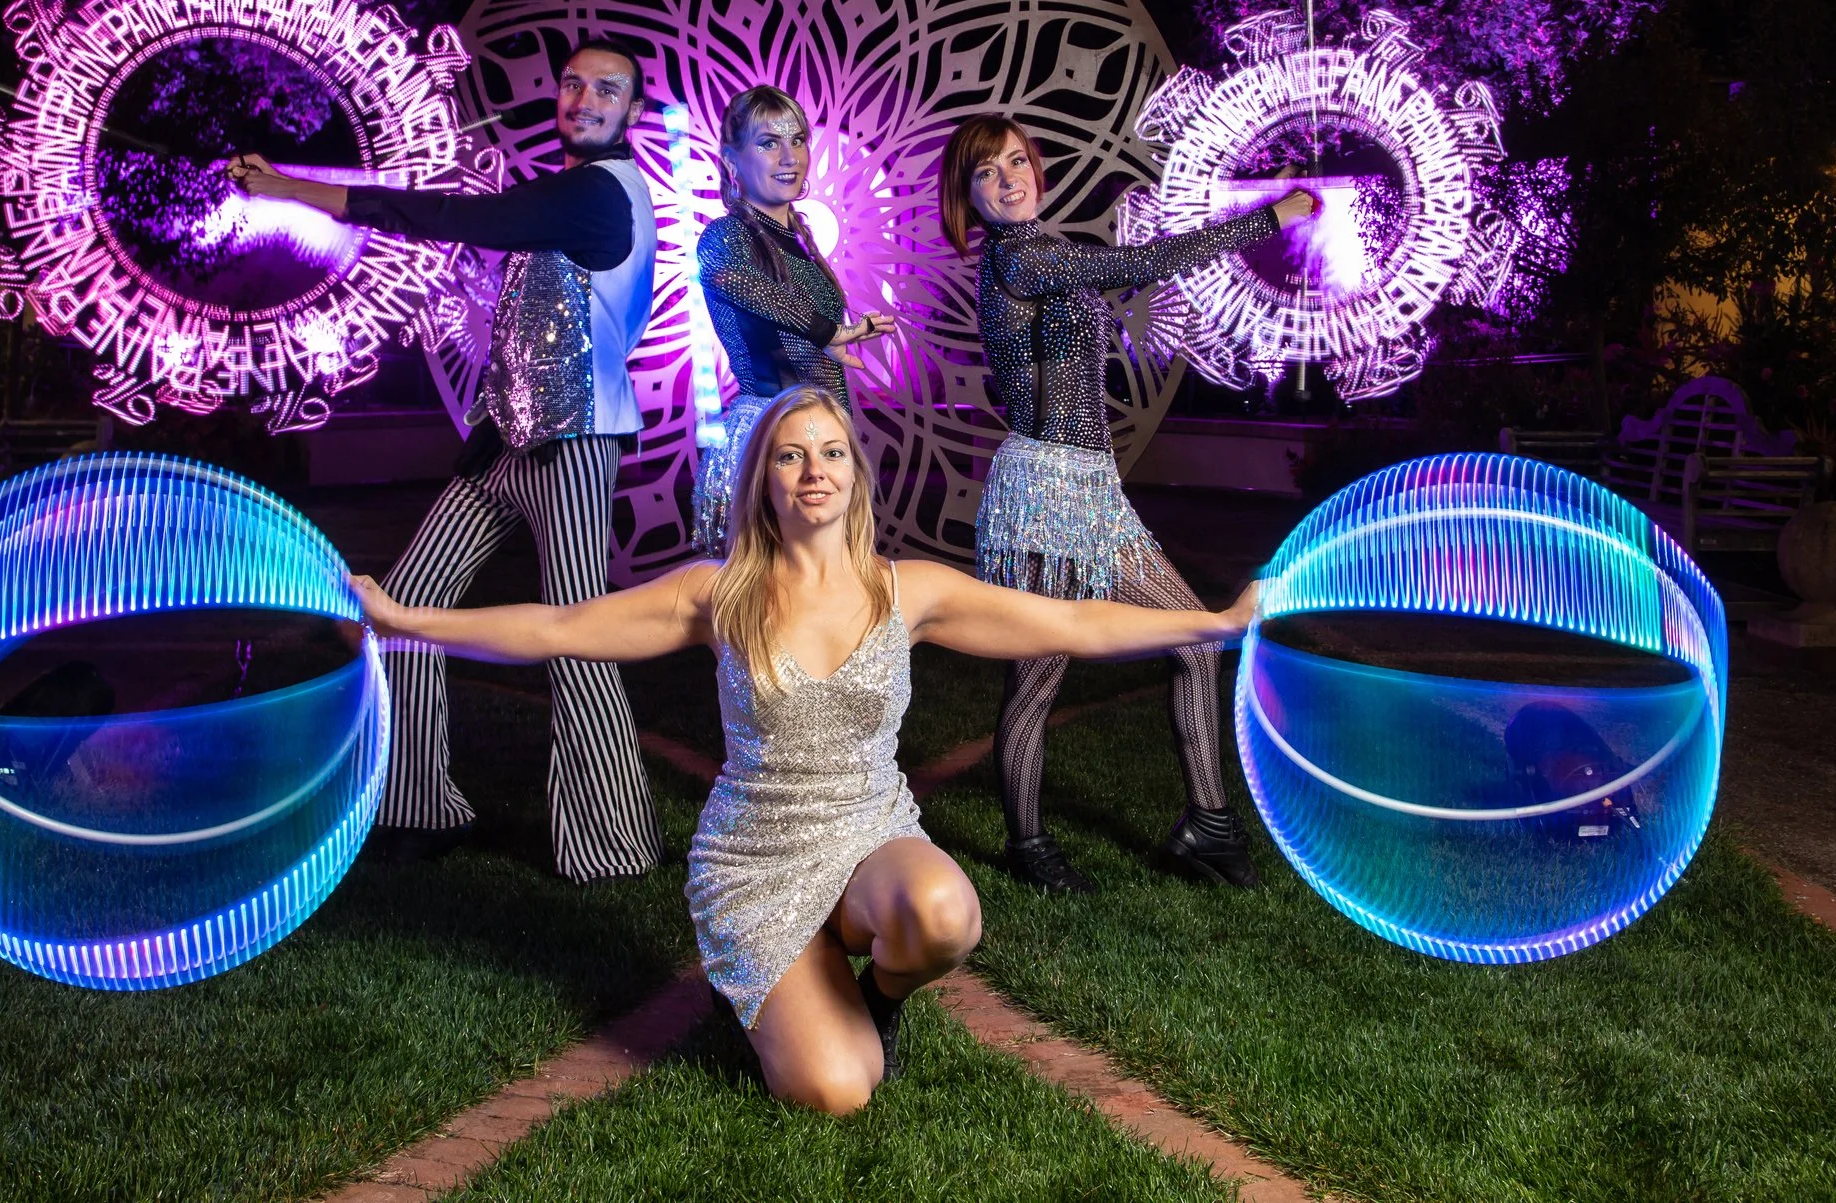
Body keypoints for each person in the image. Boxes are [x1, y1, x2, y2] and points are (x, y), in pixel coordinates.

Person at [350, 383, 1264, 1114]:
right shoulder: (718, 594)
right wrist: (408, 621)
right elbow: (556, 628)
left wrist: (1217, 622)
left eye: (830, 452)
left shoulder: (908, 591)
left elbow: (1072, 622)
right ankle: (766, 982)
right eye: (791, 455)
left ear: (855, 476)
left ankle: (880, 997)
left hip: (869, 833)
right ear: (765, 480)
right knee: (836, 1091)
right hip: (758, 859)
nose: (813, 470)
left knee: (946, 914)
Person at [230, 39, 664, 883]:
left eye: (607, 89)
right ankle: (418, 805)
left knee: (577, 636)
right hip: (504, 439)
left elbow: (453, 217)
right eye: (572, 83)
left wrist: (291, 187)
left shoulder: (599, 192)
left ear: (632, 110)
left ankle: (614, 843)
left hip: (576, 442)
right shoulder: (570, 190)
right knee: (403, 608)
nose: (584, 99)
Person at [938, 114, 1317, 895]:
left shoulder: (1046, 251)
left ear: (1036, 167)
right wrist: (1269, 218)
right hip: (1043, 495)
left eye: (1017, 161)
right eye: (987, 172)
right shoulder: (1021, 257)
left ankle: (1208, 823)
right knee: (1038, 677)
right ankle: (1029, 845)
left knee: (1194, 639)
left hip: (1093, 489)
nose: (1009, 179)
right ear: (966, 196)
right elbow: (1144, 261)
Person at [691, 84, 895, 554]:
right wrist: (828, 331)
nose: (789, 157)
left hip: (815, 440)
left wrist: (828, 343)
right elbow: (750, 287)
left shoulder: (797, 238)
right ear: (731, 160)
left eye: (797, 140)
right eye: (768, 142)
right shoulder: (725, 235)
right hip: (767, 444)